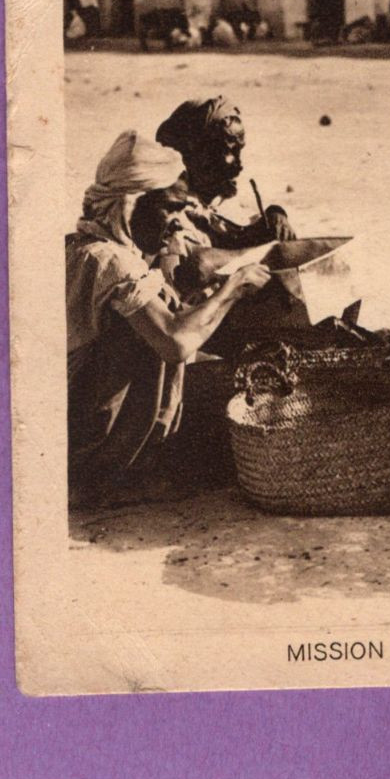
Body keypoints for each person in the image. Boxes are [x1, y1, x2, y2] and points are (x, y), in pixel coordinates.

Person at [67, 131, 271, 506]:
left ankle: (129, 464)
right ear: (131, 204)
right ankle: (103, 479)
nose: (178, 223)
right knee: (154, 330)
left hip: (75, 421)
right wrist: (234, 288)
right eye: (170, 209)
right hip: (76, 441)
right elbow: (175, 343)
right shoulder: (110, 261)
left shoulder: (92, 245)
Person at [154, 97, 294, 251]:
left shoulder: (229, 196)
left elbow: (244, 225)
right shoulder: (170, 208)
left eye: (238, 150)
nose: (236, 163)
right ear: (197, 154)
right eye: (225, 151)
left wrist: (275, 215)